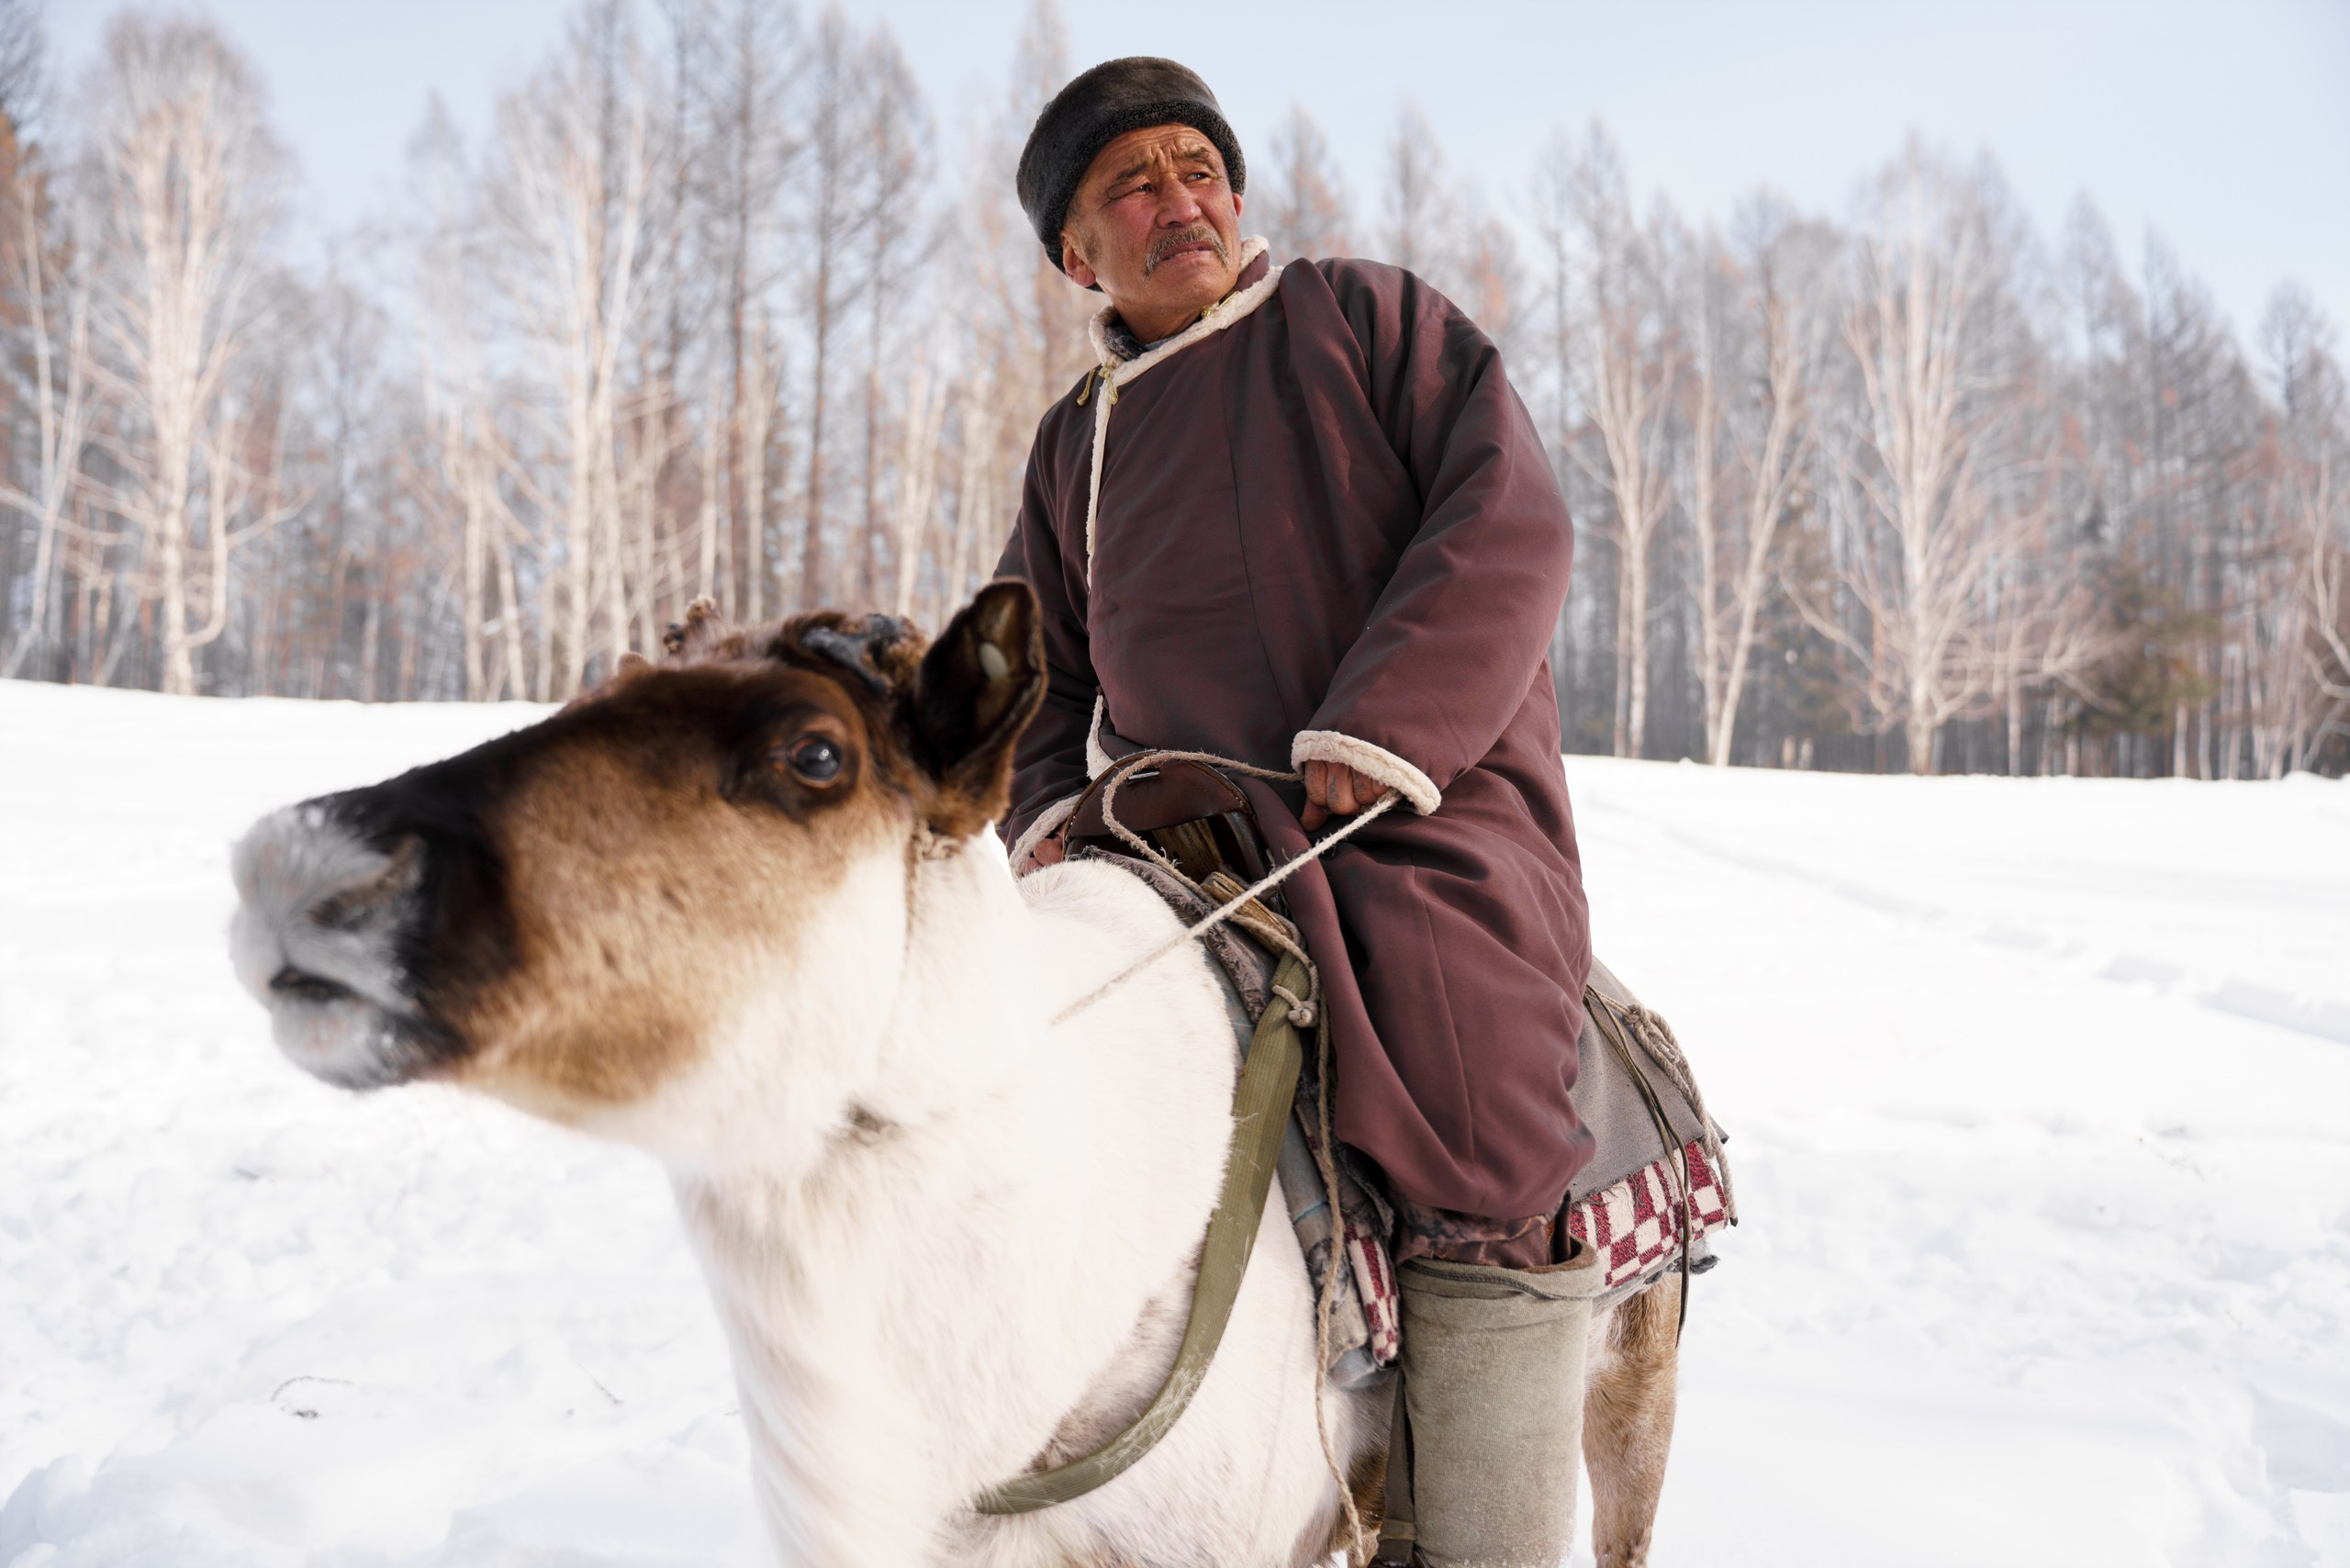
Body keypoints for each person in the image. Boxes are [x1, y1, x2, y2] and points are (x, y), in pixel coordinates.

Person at [998, 58, 1598, 1567]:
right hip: (1178, 850)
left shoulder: (1370, 322)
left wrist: (1388, 722)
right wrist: (1048, 807)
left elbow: (1509, 514)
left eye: (1197, 169)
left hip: (1413, 815)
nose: (1177, 200)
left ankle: (1481, 1535)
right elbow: (1036, 665)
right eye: (1131, 185)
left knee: (1474, 1093)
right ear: (1079, 255)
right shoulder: (1074, 447)